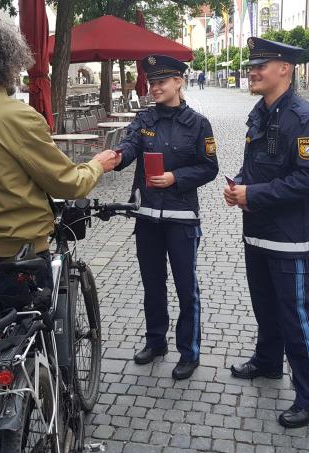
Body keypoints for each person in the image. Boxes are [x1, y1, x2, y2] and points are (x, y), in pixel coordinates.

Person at [0, 18, 117, 452]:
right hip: (25, 256)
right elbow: (66, 182)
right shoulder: (15, 114)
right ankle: (53, 405)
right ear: (7, 62)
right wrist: (98, 165)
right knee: (36, 339)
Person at [224, 37, 309, 429]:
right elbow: (254, 164)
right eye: (251, 65)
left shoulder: (306, 119)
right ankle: (268, 362)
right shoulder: (261, 112)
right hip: (258, 230)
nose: (252, 71)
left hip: (291, 236)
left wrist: (253, 193)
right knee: (265, 306)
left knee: (296, 315)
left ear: (284, 69)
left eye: (260, 65)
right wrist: (239, 183)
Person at [110, 54, 219, 380]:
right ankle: (155, 341)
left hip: (182, 216)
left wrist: (175, 178)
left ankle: (189, 351)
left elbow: (209, 168)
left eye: (161, 82)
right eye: (152, 82)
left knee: (187, 288)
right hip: (147, 217)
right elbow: (129, 146)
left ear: (178, 82)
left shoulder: (199, 124)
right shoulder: (144, 121)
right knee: (152, 286)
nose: (155, 87)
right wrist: (114, 157)